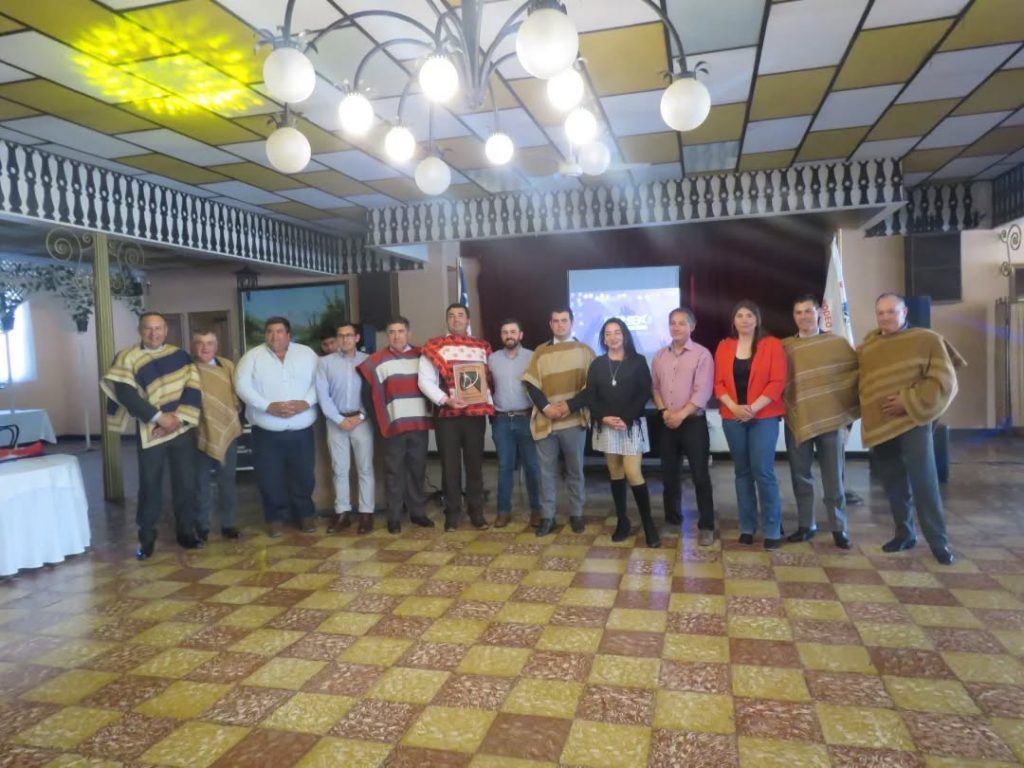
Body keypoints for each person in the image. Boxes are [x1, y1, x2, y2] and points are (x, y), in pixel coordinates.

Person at [858, 293, 963, 565]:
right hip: (881, 425)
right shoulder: (868, 347)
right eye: (880, 312)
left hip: (913, 422)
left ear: (904, 312)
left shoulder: (926, 340)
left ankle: (939, 542)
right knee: (893, 483)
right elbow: (861, 382)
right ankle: (904, 533)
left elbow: (944, 380)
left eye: (891, 311)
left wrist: (907, 401)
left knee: (924, 482)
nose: (885, 317)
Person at [100, 311, 204, 559]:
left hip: (181, 428)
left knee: (186, 483)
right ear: (140, 330)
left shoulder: (180, 356)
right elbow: (126, 395)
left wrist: (176, 419)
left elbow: (193, 388)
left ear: (166, 331)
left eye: (158, 328)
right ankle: (146, 539)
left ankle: (186, 532)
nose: (153, 333)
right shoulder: (127, 357)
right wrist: (159, 418)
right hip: (150, 430)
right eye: (148, 328)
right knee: (150, 485)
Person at [568, 318, 659, 546]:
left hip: (631, 425)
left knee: (633, 472)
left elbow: (643, 392)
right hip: (606, 426)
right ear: (603, 339)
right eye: (608, 333)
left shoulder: (638, 361)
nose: (613, 337)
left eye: (617, 332)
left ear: (625, 335)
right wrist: (603, 417)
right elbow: (591, 395)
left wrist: (625, 419)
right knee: (615, 472)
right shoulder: (598, 364)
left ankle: (648, 523)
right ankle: (622, 521)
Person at [782, 295, 859, 550]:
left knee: (833, 477)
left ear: (818, 313)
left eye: (808, 311)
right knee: (800, 475)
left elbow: (854, 375)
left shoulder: (836, 343)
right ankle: (806, 525)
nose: (803, 316)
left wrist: (845, 415)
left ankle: (839, 527)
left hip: (830, 421)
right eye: (798, 312)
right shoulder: (785, 347)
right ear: (793, 316)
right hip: (798, 419)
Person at [234, 316, 319, 537]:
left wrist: (306, 403)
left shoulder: (307, 354)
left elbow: (319, 382)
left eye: (279, 331)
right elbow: (241, 386)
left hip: (301, 431)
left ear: (288, 334)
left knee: (304, 476)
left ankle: (305, 515)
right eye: (270, 331)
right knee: (269, 478)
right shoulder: (251, 357)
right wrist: (267, 406)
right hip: (266, 433)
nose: (274, 336)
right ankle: (275, 518)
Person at [714, 300, 787, 549]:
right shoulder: (724, 346)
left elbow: (777, 382)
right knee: (742, 472)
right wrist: (734, 407)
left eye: (749, 315)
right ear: (733, 321)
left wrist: (752, 408)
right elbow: (718, 384)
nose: (744, 320)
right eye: (740, 316)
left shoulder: (772, 345)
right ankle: (747, 527)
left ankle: (772, 529)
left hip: (763, 417)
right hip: (732, 417)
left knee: (763, 471)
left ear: (757, 320)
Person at [418, 303, 494, 531]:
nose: (456, 319)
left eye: (461, 315)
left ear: (468, 320)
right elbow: (424, 381)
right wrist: (445, 400)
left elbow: (489, 379)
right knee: (449, 466)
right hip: (447, 416)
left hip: (474, 417)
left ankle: (476, 512)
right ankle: (452, 514)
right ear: (447, 320)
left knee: (475, 465)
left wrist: (488, 401)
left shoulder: (482, 347)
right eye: (451, 315)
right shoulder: (434, 346)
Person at [522, 307, 595, 536]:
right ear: (550, 324)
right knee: (546, 473)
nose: (560, 324)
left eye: (564, 320)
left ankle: (577, 514)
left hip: (573, 420)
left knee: (575, 471)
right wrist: (546, 408)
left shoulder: (585, 351)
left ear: (572, 322)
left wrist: (569, 406)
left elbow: (593, 386)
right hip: (547, 421)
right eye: (556, 321)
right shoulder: (540, 352)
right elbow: (531, 383)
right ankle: (548, 517)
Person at [358, 316, 435, 533]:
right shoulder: (376, 361)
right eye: (391, 332)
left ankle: (417, 512)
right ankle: (394, 517)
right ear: (387, 335)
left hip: (419, 423)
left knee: (417, 469)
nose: (396, 336)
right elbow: (367, 396)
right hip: (392, 426)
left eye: (400, 331)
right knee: (394, 472)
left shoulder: (423, 357)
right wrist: (380, 421)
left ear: (408, 333)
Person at [652, 307, 716, 546]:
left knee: (700, 476)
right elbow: (655, 388)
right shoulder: (659, 356)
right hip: (667, 422)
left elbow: (703, 392)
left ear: (692, 327)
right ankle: (672, 519)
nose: (676, 327)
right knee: (669, 476)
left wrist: (680, 415)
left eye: (682, 323)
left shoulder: (702, 354)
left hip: (693, 423)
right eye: (673, 323)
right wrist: (664, 412)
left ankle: (706, 525)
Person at [316, 322, 375, 535]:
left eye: (349, 335)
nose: (345, 339)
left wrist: (361, 416)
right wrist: (338, 419)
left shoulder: (369, 361)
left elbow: (374, 394)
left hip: (362, 421)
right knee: (339, 469)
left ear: (357, 338)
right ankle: (342, 513)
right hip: (336, 422)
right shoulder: (325, 363)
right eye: (341, 336)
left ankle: (366, 513)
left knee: (365, 468)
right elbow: (323, 396)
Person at [488, 318, 542, 528]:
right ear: (501, 336)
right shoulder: (492, 359)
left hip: (526, 418)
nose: (509, 335)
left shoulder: (533, 357)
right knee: (504, 467)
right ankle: (503, 511)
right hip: (501, 420)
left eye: (513, 331)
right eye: (505, 332)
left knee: (532, 467)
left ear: (520, 335)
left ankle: (537, 510)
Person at [191, 329, 243, 541]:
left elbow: (236, 394)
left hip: (226, 431)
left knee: (227, 481)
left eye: (209, 343)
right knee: (200, 483)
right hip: (198, 432)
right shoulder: (188, 369)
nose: (205, 347)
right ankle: (202, 525)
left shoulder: (227, 366)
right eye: (200, 343)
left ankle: (228, 524)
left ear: (216, 346)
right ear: (194, 346)